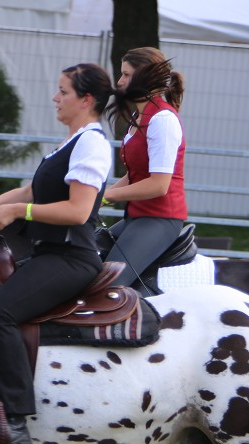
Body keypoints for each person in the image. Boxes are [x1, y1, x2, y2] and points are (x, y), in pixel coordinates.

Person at [0, 63, 114, 444]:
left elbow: (78, 212)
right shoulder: (70, 142)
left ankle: (17, 418)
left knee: (0, 313)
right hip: (50, 252)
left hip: (71, 258)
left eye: (63, 91)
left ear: (86, 99)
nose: (55, 98)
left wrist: (18, 214)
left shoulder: (92, 144)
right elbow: (30, 191)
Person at [101, 47, 186, 288]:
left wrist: (105, 195)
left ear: (145, 78)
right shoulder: (138, 119)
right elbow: (135, 176)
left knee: (107, 286)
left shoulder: (162, 120)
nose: (119, 82)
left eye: (126, 75)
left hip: (160, 219)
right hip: (138, 217)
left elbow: (159, 185)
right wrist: (99, 199)